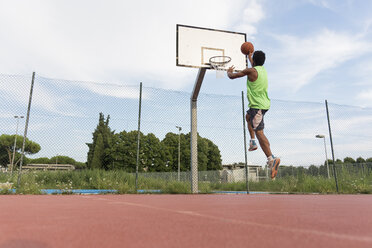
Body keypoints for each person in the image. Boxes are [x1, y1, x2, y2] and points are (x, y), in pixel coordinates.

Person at [227, 50, 280, 179]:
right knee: (248, 117)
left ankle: (271, 159)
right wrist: (249, 55)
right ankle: (252, 142)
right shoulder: (262, 70)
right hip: (261, 105)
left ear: (254, 61)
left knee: (259, 132)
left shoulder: (250, 71)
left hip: (257, 106)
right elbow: (254, 63)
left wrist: (228, 71)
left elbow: (232, 76)